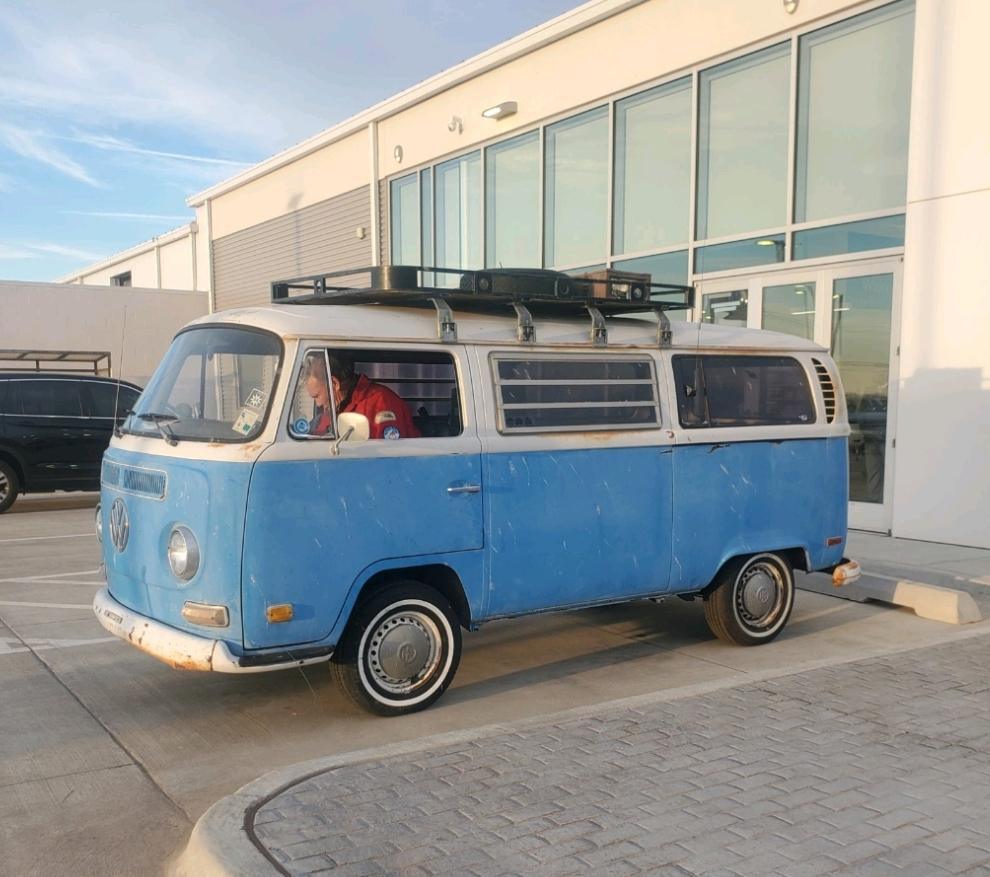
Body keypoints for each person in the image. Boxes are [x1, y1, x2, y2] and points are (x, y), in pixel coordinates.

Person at [305, 352, 420, 439]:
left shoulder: (382, 404)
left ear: (334, 384)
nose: (318, 404)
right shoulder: (332, 411)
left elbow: (389, 458)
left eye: (317, 396)